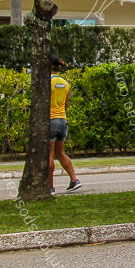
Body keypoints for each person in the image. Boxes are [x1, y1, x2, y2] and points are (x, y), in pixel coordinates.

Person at [49, 55, 82, 194]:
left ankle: (49, 187)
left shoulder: (47, 82)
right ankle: (74, 179)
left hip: (50, 120)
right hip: (62, 120)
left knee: (48, 155)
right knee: (59, 152)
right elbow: (66, 104)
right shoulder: (65, 83)